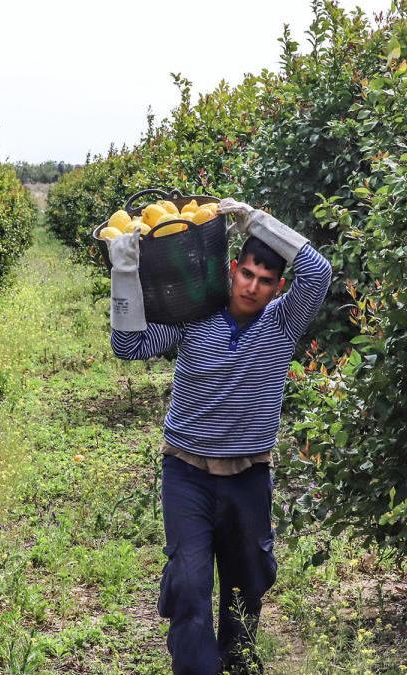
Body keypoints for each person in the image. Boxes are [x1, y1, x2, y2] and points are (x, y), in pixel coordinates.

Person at [108, 198, 332, 674]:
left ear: (279, 287)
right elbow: (127, 345)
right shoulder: (196, 316)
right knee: (188, 585)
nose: (252, 287)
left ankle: (239, 664)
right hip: (186, 473)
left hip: (248, 477)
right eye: (247, 273)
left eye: (265, 280)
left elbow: (319, 271)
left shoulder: (282, 324)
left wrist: (256, 220)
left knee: (245, 586)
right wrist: (124, 269)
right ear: (232, 269)